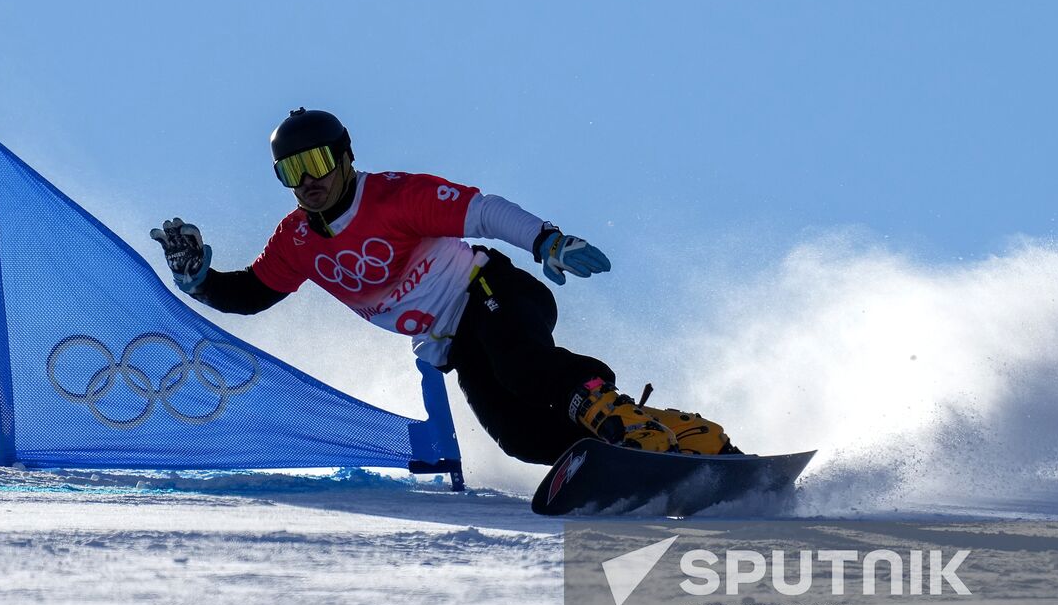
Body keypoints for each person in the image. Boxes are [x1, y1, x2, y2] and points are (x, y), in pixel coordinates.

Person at [151, 108, 737, 465]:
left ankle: (610, 406)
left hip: (490, 292)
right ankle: (642, 447)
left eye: (319, 162)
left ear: (347, 157)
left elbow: (482, 211)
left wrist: (546, 240)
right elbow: (252, 292)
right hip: (451, 341)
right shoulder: (297, 240)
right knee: (520, 437)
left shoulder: (394, 197)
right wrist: (198, 279)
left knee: (525, 371)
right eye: (292, 171)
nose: (309, 182)